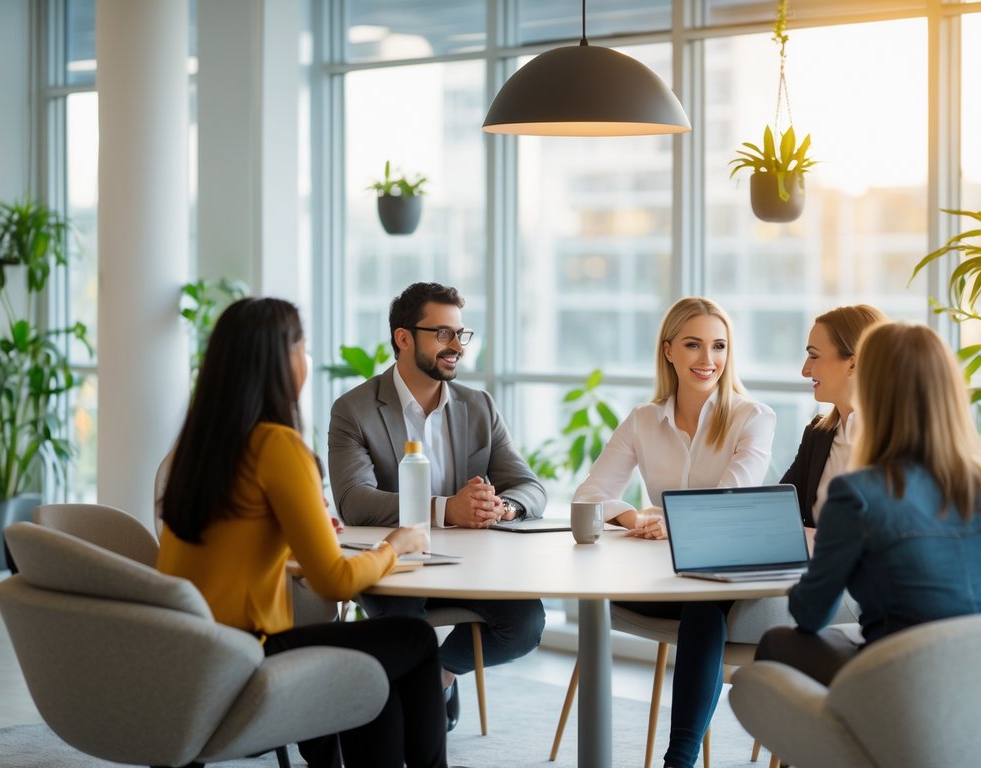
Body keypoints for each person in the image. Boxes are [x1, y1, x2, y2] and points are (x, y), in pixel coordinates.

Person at [157, 297, 446, 768]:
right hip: (246, 656)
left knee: (371, 656)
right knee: (413, 639)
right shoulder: (277, 444)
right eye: (302, 345)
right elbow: (333, 582)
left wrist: (298, 530)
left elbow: (236, 535)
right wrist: (396, 544)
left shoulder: (201, 445)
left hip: (189, 655)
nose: (306, 358)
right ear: (279, 359)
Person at [327, 281, 547, 731]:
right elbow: (354, 502)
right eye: (443, 334)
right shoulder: (354, 410)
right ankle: (418, 711)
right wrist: (446, 510)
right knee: (407, 628)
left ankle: (438, 676)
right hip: (394, 564)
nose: (456, 347)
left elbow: (529, 486)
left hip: (469, 565)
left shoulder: (479, 406)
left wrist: (500, 508)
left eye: (461, 335)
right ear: (403, 338)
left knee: (526, 623)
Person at [757, 322, 981, 686]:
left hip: (903, 678)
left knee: (776, 643)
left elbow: (810, 614)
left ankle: (834, 739)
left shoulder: (858, 493)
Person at [571, 296, 775, 768]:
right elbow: (588, 496)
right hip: (656, 580)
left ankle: (677, 760)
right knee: (608, 595)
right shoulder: (644, 419)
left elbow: (728, 502)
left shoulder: (753, 418)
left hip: (717, 581)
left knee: (703, 610)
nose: (709, 360)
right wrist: (632, 518)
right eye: (693, 345)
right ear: (668, 351)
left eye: (719, 346)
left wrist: (669, 519)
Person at [779, 305, 888, 528]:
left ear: (853, 364)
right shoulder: (817, 434)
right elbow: (778, 509)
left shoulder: (900, 441)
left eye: (813, 356)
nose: (805, 370)